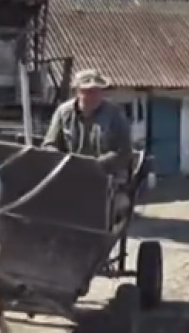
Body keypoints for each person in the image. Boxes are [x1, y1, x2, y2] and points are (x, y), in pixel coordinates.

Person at [42, 69, 134, 220]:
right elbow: (49, 145)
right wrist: (65, 163)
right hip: (69, 176)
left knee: (116, 209)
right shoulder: (63, 112)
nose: (93, 95)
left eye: (97, 91)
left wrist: (95, 166)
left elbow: (124, 151)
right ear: (78, 91)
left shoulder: (115, 114)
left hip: (106, 177)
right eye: (88, 91)